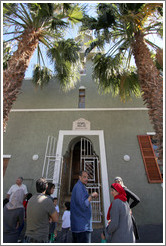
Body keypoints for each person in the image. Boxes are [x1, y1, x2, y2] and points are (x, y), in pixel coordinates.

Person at [25, 177, 58, 243]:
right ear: (46, 187)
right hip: (40, 237)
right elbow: (56, 218)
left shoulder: (31, 199)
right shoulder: (47, 200)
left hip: (28, 235)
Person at [70, 170, 98, 243]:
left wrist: (89, 197)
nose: (86, 179)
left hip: (80, 225)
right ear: (79, 177)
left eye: (87, 177)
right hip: (82, 226)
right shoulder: (79, 187)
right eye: (84, 177)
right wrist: (91, 196)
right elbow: (83, 205)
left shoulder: (81, 186)